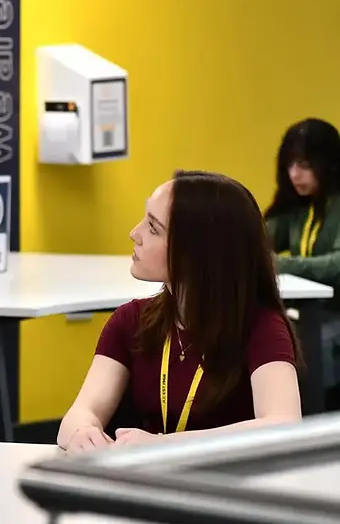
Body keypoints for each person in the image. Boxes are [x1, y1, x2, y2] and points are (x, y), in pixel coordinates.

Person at [57, 170, 303, 454]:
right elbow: (79, 414)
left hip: (229, 489)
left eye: (153, 228)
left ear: (195, 252)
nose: (134, 234)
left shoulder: (262, 327)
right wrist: (82, 433)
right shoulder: (131, 321)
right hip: (149, 485)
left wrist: (164, 445)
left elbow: (283, 425)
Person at [264, 117, 340, 405]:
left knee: (307, 348)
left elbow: (337, 265)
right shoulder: (299, 207)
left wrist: (282, 264)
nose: (295, 174)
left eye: (305, 166)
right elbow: (260, 238)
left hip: (332, 313)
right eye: (290, 165)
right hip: (310, 312)